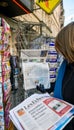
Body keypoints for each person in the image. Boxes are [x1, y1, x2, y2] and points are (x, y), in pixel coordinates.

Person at [37, 22, 74, 130]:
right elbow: (63, 83)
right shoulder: (66, 63)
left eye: (62, 48)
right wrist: (49, 88)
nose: (60, 53)